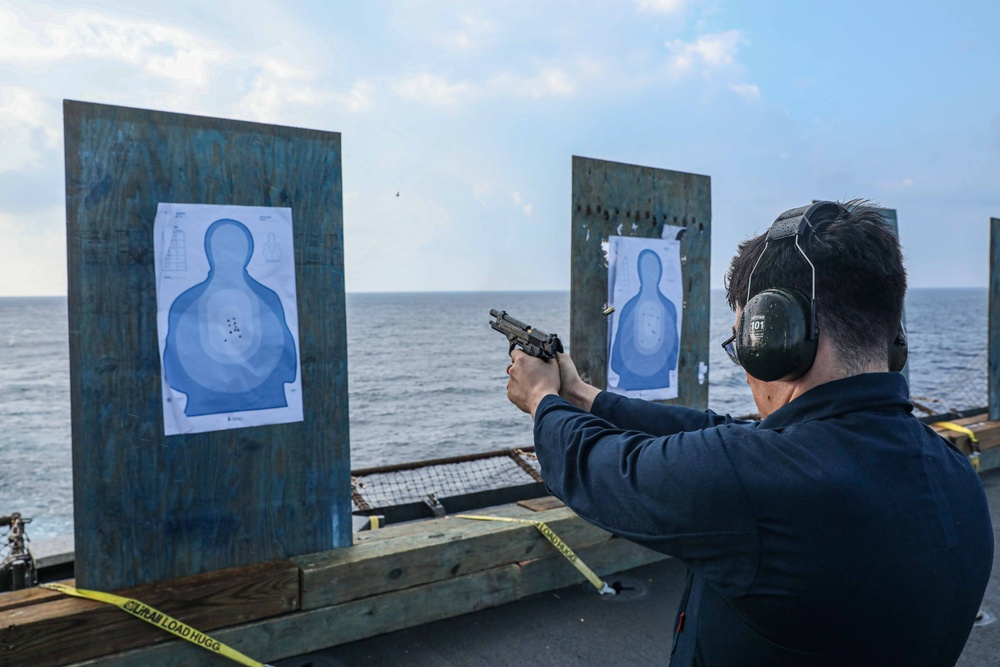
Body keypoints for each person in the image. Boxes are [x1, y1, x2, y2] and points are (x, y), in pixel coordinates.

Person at [504, 200, 993, 666]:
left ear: (774, 337)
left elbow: (605, 470)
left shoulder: (763, 484)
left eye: (743, 344)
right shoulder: (952, 473)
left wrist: (542, 401)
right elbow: (721, 434)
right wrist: (583, 395)